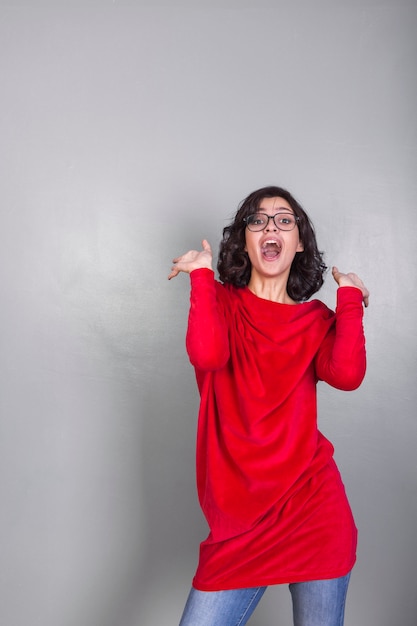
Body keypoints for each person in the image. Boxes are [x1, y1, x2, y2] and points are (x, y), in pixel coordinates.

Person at [168, 186, 369, 626]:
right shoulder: (219, 301)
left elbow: (347, 375)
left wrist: (349, 301)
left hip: (312, 512)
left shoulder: (315, 321)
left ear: (298, 242)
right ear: (244, 240)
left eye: (284, 220)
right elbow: (207, 355)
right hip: (239, 526)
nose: (270, 227)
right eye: (257, 220)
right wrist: (202, 277)